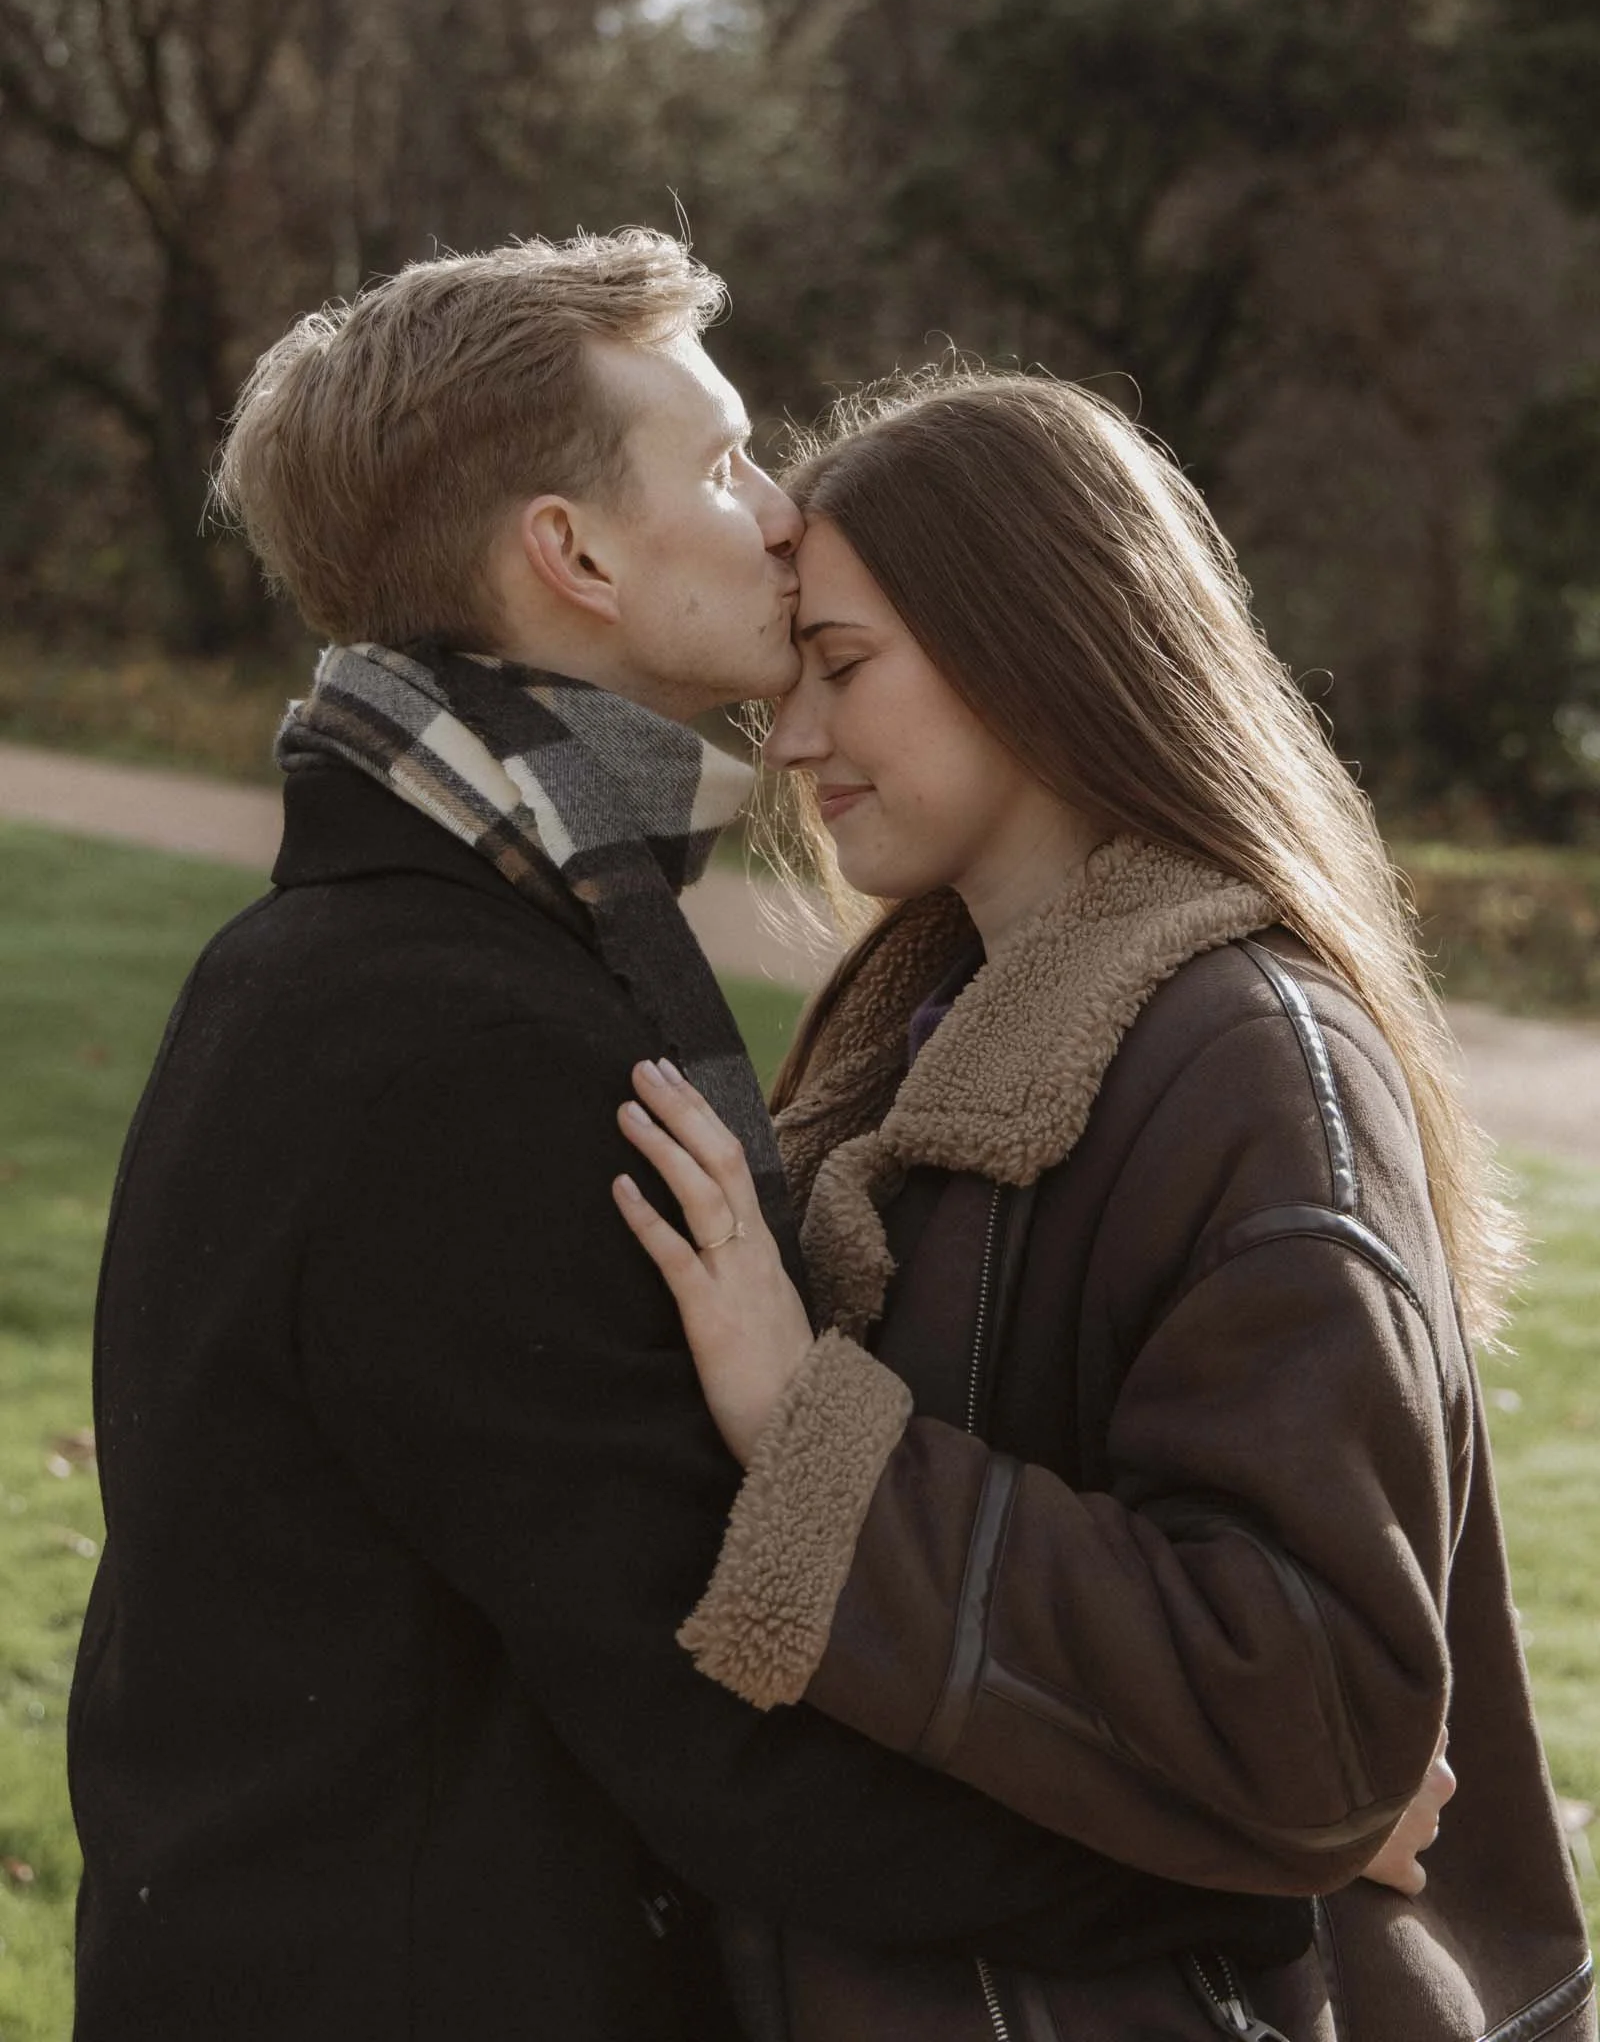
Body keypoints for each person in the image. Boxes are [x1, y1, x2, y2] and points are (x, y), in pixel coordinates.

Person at [69, 237, 1279, 2041]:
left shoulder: (358, 958)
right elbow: (723, 1722)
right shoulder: (460, 1042)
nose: (782, 513)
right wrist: (1254, 1859)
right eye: (720, 462)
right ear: (572, 556)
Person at [614, 368, 1596, 2042]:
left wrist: (809, 1432)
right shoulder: (910, 1042)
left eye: (843, 669)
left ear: (1031, 643)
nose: (792, 739)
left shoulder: (1249, 1064)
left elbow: (1313, 1708)